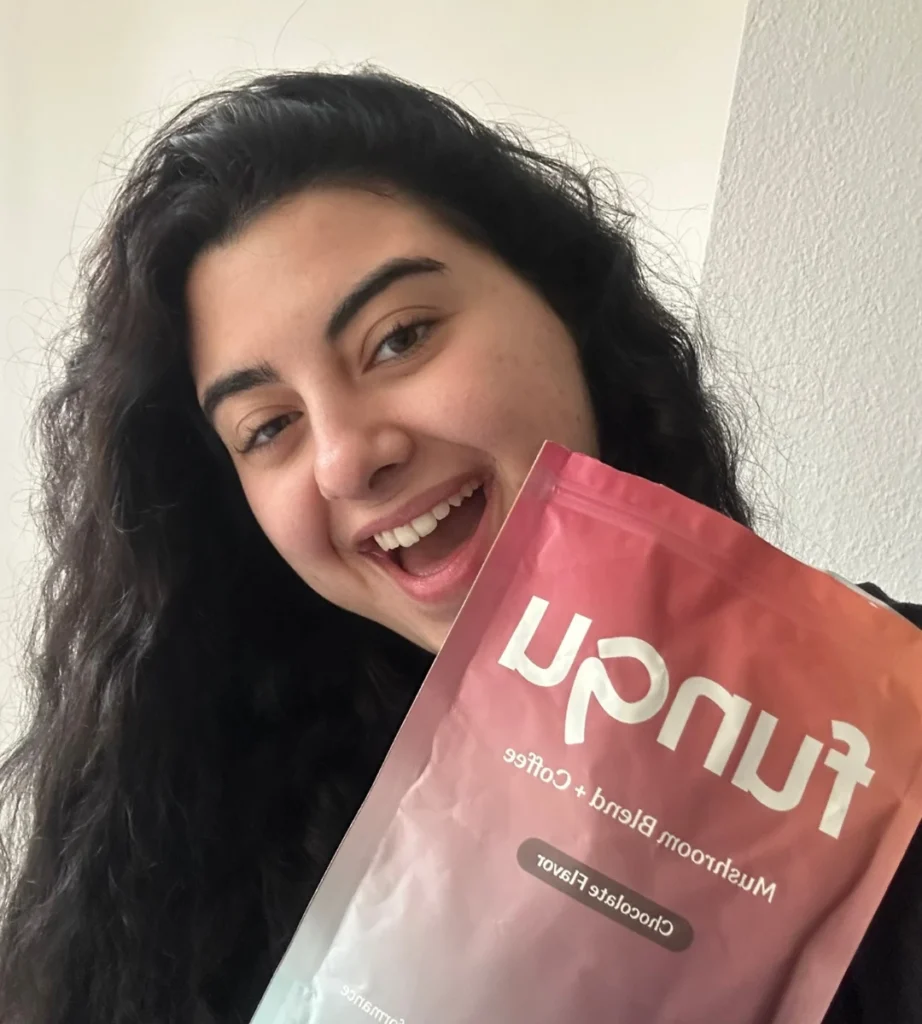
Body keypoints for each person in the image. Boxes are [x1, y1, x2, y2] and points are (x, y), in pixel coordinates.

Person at [0, 68, 918, 1024]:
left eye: (399, 339)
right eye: (268, 427)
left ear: (564, 304)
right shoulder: (182, 848)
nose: (346, 458)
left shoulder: (890, 730)